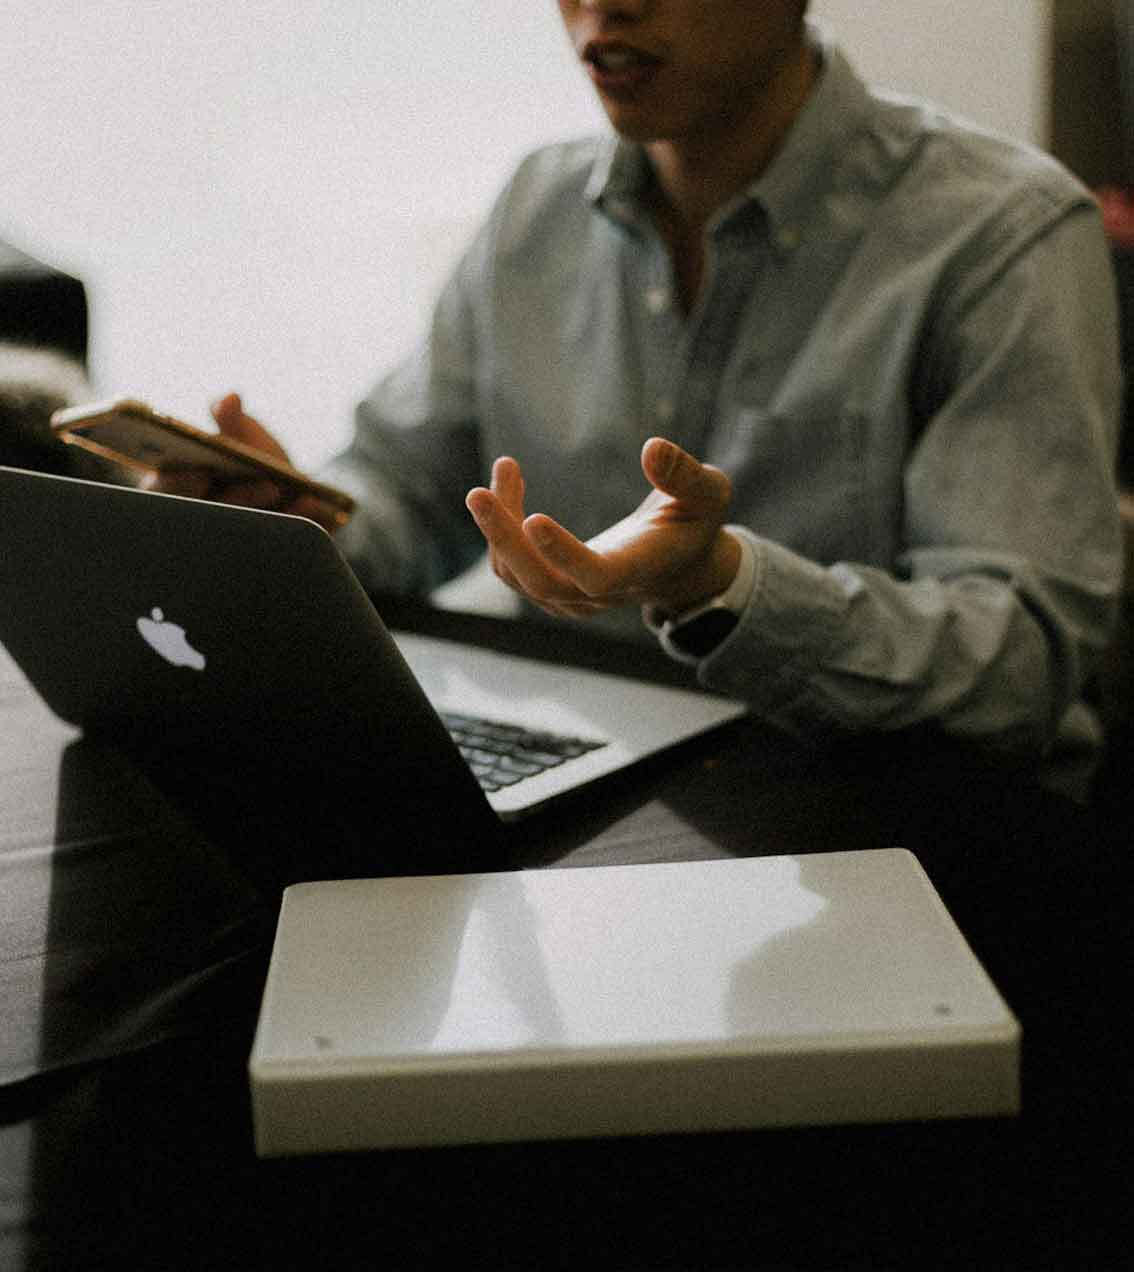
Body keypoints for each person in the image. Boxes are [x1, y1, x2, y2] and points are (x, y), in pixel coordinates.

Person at [165, 1, 1123, 798]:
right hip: (596, 769)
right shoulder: (538, 204)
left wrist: (723, 585)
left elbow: (1018, 668)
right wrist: (294, 520)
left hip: (896, 807)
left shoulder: (1000, 234)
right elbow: (409, 485)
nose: (603, 6)